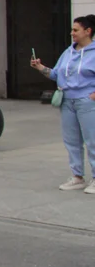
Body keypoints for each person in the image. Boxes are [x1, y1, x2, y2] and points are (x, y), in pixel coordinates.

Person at [31, 15, 95, 192]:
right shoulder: (68, 52)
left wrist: (92, 97)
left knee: (92, 141)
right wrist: (41, 68)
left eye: (76, 30)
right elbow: (56, 74)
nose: (72, 33)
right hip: (67, 100)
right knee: (72, 141)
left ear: (88, 31)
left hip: (87, 102)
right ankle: (77, 176)